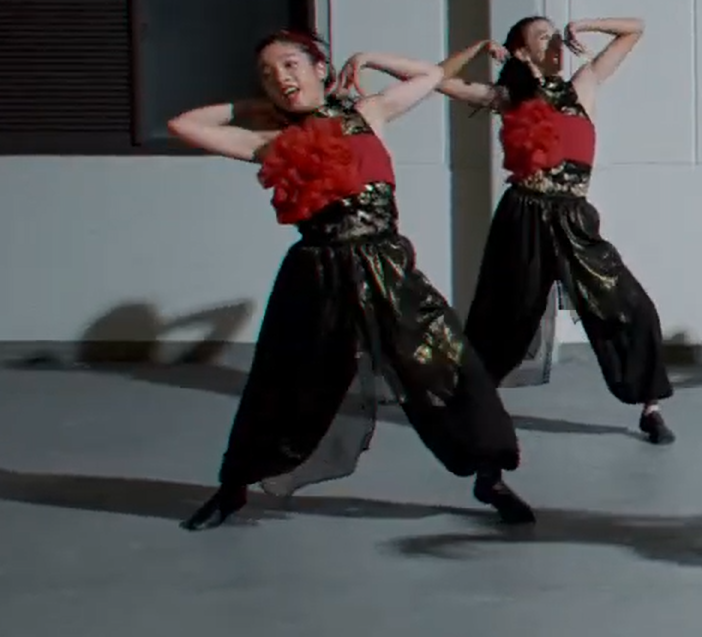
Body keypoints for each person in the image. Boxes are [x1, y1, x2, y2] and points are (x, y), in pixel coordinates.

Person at [166, 31, 536, 530]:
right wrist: (254, 106)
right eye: (268, 74)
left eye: (291, 65)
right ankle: (233, 488)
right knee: (285, 388)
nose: (281, 77)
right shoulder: (269, 141)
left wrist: (370, 58)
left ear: (320, 68)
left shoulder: (369, 114)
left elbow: (430, 75)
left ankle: (489, 477)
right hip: (317, 276)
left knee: (451, 369)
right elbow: (183, 125)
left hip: (388, 267)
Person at [439, 15, 673, 444]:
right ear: (522, 51)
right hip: (523, 214)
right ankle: (471, 402)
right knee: (503, 315)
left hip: (573, 216)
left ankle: (650, 406)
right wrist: (478, 48)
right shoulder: (508, 97)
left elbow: (634, 29)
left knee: (629, 306)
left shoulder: (583, 84)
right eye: (543, 37)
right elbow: (437, 80)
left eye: (555, 37)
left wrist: (584, 25)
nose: (555, 44)